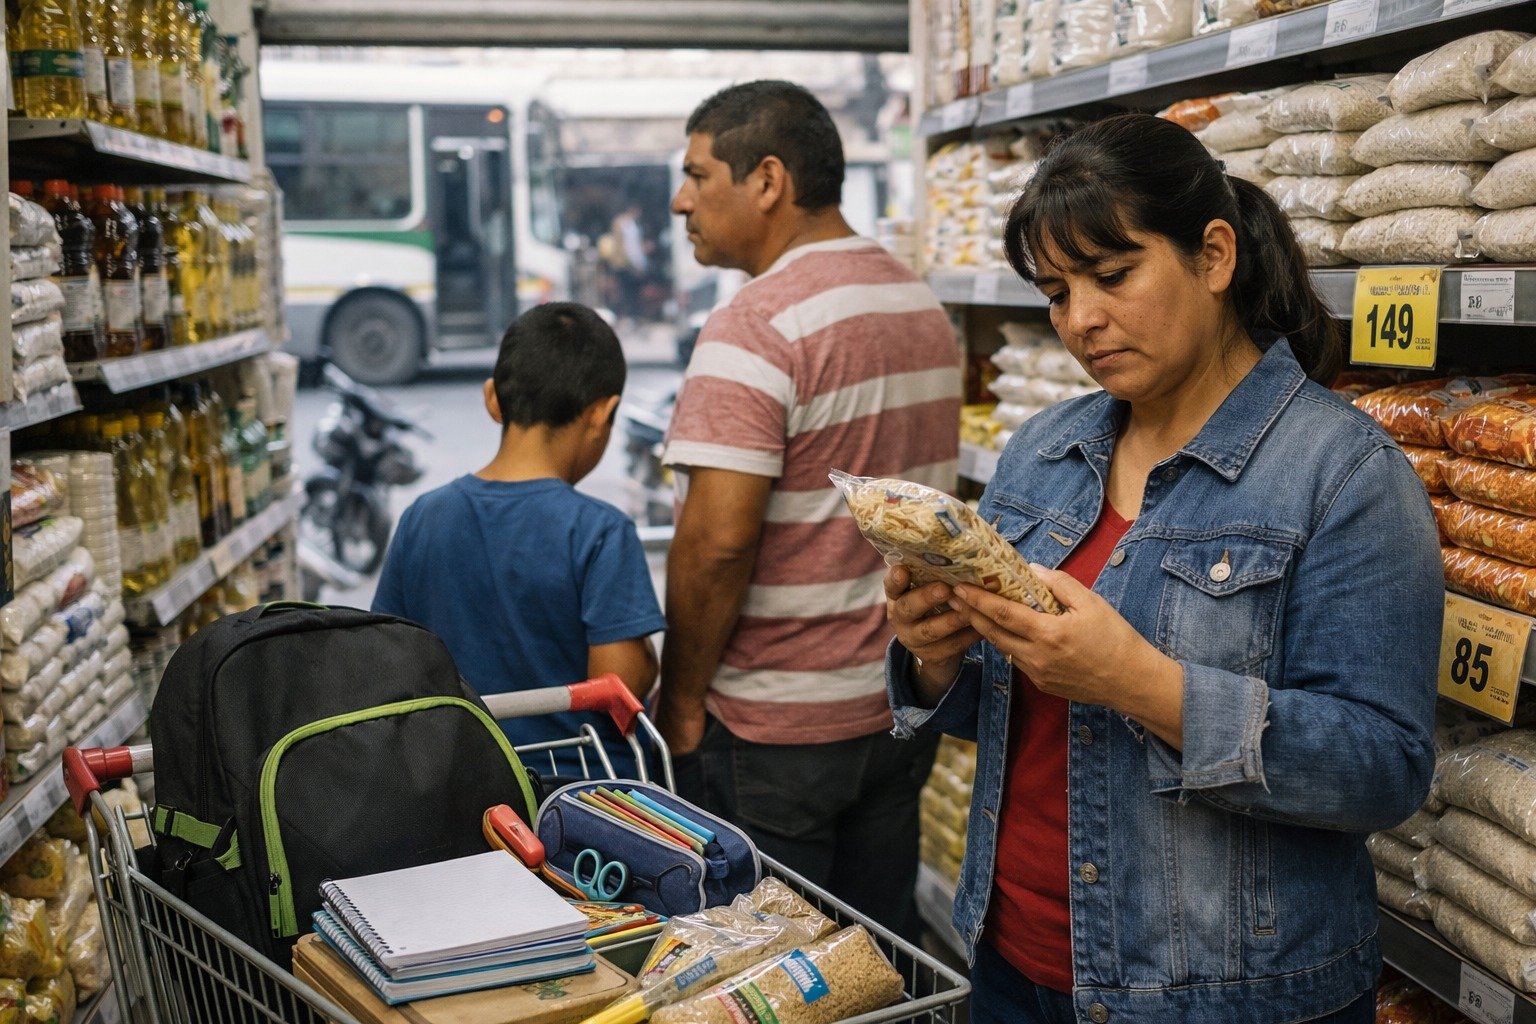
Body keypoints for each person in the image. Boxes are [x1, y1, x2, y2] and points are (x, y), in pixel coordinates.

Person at [885, 112, 1443, 1023]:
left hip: (1217, 995)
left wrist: (1144, 684)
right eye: (1058, 292)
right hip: (1013, 961)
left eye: (1112, 275)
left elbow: (1382, 768)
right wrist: (936, 653)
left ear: (1214, 256)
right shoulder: (1042, 450)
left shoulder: (1342, 475)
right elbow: (999, 717)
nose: (1083, 321)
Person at [655, 80, 962, 940]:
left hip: (772, 732)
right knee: (875, 960)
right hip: (896, 706)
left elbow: (715, 545)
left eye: (696, 173)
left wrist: (680, 702)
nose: (681, 199)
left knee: (767, 972)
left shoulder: (756, 323)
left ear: (768, 180)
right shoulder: (918, 304)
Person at [373, 302, 665, 776]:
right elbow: (619, 685)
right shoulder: (600, 532)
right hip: (584, 800)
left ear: (493, 399)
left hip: (460, 785)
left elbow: (389, 666)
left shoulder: (422, 518)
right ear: (601, 414)